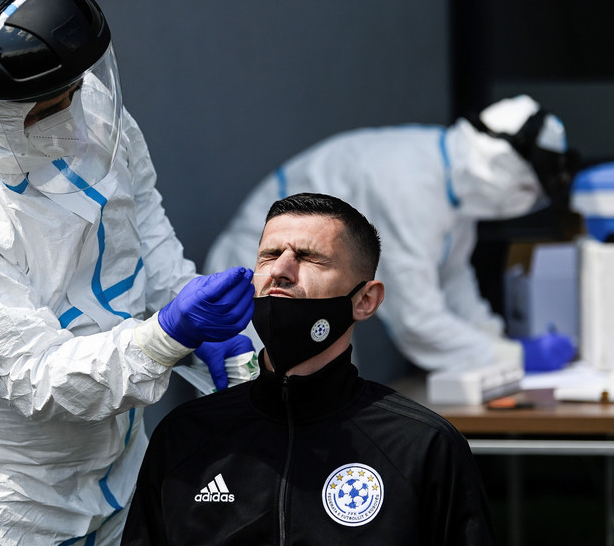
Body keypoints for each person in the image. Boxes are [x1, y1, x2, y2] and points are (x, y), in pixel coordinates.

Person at [0, 0, 256, 545]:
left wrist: (193, 313)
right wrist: (165, 337)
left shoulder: (91, 107)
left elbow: (144, 232)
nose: (73, 118)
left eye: (74, 90)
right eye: (48, 107)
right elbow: (36, 374)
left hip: (119, 457)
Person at [121, 192, 498, 545]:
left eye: (309, 257)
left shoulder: (421, 444)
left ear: (365, 300)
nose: (281, 271)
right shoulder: (186, 435)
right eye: (269, 255)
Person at [205, 95, 574, 374]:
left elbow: (453, 278)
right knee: (264, 428)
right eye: (527, 191)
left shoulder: (451, 188)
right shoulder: (411, 183)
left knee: (316, 412)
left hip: (312, 294)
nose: (524, 203)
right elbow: (416, 319)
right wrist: (514, 359)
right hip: (266, 284)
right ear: (500, 165)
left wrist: (497, 343)